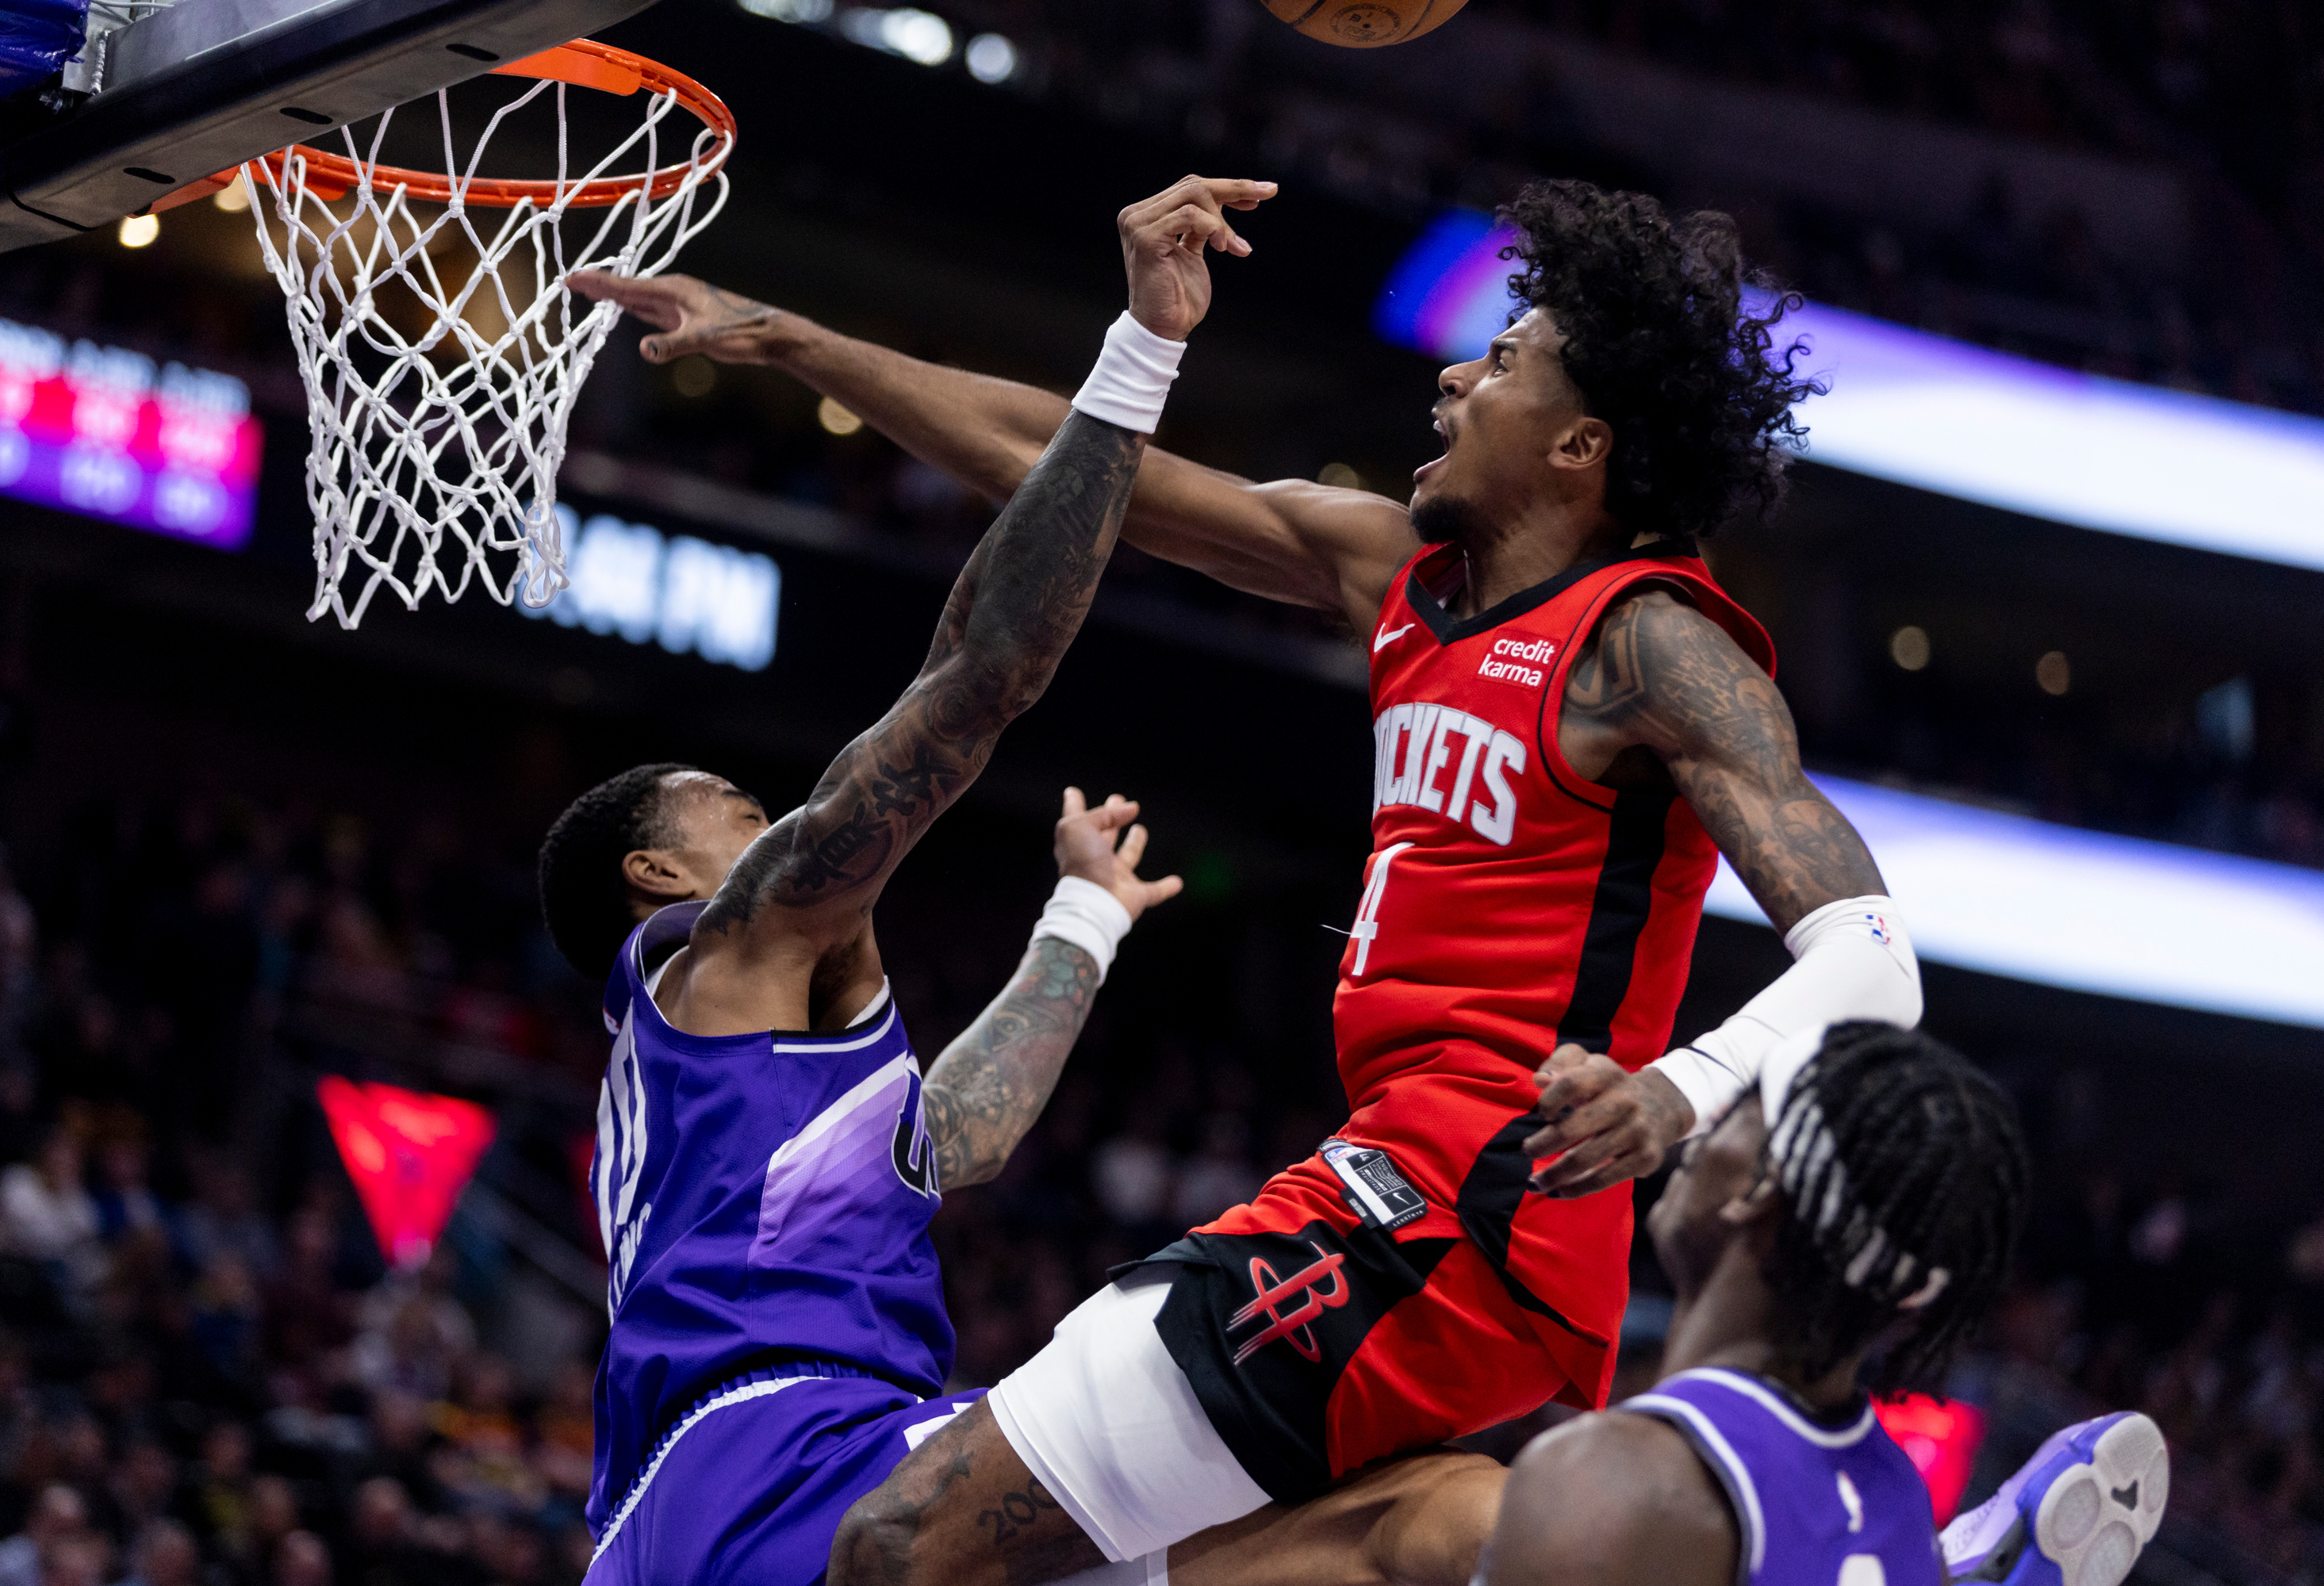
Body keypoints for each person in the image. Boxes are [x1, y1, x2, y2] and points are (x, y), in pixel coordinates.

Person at [586, 176, 1924, 1580]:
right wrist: (800, 341)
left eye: (1507, 361)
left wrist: (1677, 1091)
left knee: (906, 1543)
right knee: (1380, 1548)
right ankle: (1876, 1557)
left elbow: (1872, 951)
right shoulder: (1404, 579)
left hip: (1461, 1195)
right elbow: (1068, 462)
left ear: (1582, 443)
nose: (1458, 375)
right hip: (1454, 1216)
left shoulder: (1648, 644)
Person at [550, 175, 1260, 1584]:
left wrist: (1082, 924)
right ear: (657, 874)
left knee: (1363, 1538)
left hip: (747, 1485)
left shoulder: (755, 1076)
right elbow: (979, 672)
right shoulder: (722, 956)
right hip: (769, 1456)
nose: (787, 820)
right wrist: (1143, 345)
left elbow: (955, 1144)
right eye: (745, 809)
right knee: (1340, 1512)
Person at [1085, 1023, 2168, 1586]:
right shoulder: (1887, 1490)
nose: (1692, 1130)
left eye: (1737, 1109)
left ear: (1755, 1192)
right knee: (1412, 1516)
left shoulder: (1615, 1486)